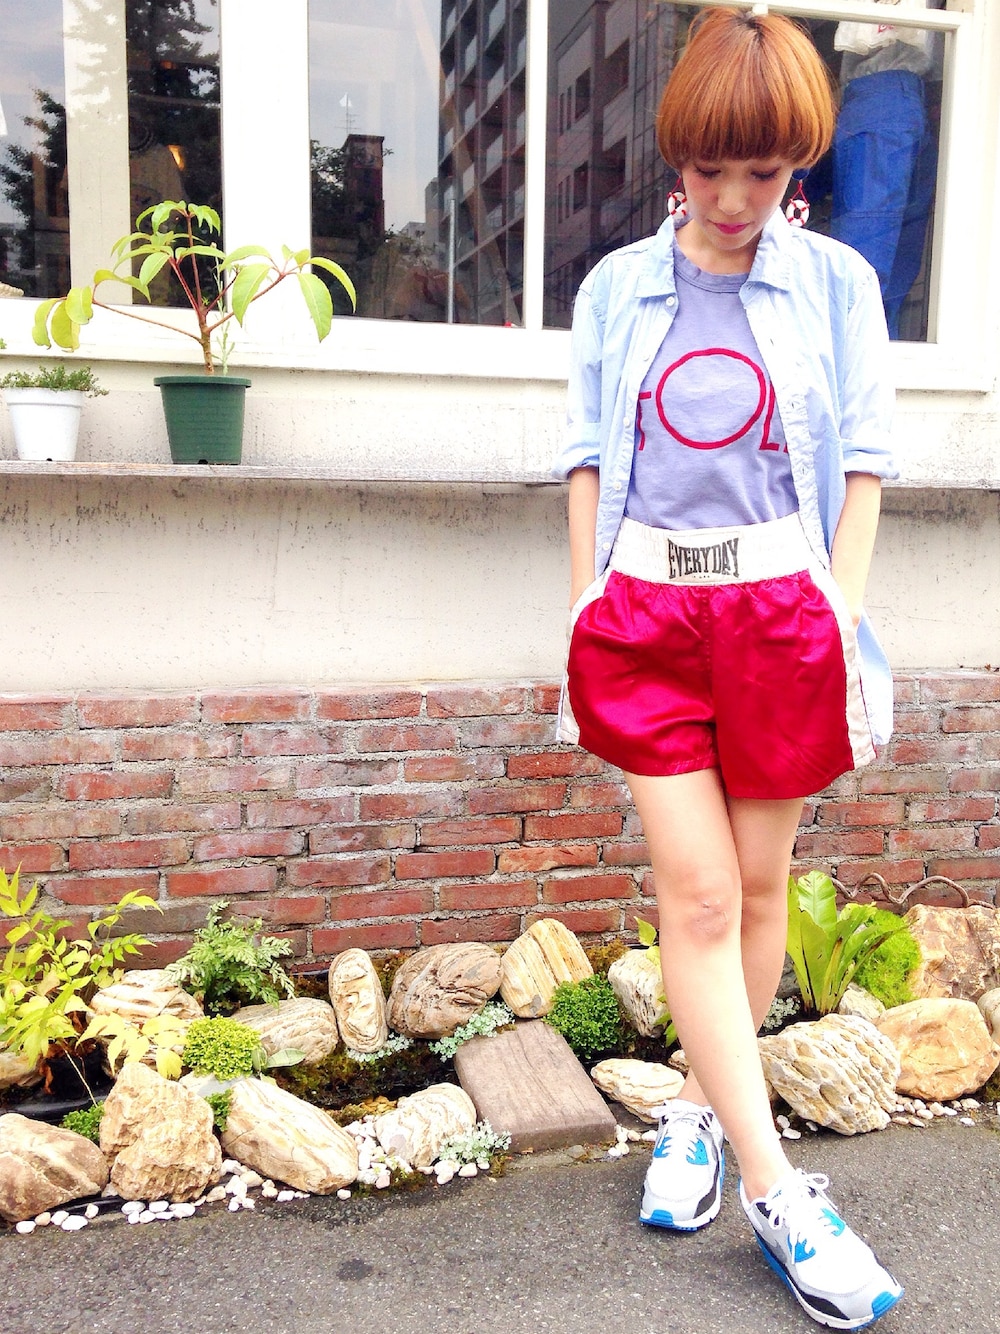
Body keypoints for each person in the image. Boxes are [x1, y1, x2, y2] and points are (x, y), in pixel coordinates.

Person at [553, 9, 902, 1330]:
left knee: (758, 892)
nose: (738, 199)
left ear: (796, 163)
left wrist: (837, 609)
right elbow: (588, 454)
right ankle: (780, 1193)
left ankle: (701, 1114)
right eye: (712, 170)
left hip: (778, 613)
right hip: (647, 613)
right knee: (697, 895)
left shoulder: (838, 287)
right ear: (676, 155)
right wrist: (586, 599)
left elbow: (862, 462)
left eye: (766, 172)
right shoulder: (615, 290)